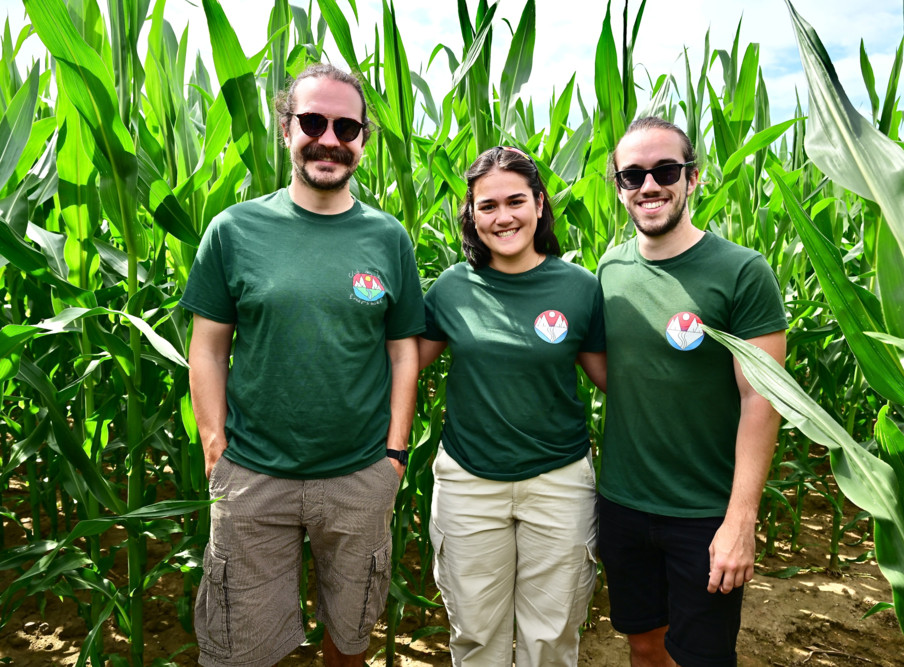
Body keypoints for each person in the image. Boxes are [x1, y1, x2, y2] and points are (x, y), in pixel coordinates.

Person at [180, 64, 424, 667]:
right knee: (239, 649)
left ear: (363, 140)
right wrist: (215, 447)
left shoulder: (389, 238)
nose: (329, 139)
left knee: (350, 638)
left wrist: (395, 454)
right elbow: (207, 347)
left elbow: (402, 351)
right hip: (253, 476)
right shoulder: (234, 230)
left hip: (360, 475)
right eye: (313, 122)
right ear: (286, 129)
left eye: (347, 127)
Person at [596, 117, 788, 667]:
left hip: (705, 511)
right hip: (624, 503)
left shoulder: (742, 271)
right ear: (618, 186)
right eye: (632, 175)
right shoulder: (610, 268)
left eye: (665, 171)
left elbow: (761, 400)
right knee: (643, 644)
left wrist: (740, 522)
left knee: (701, 657)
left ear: (693, 177)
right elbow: (621, 373)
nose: (649, 185)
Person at [418, 146, 606, 666]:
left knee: (552, 638)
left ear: (540, 204)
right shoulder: (452, 288)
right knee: (476, 634)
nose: (503, 217)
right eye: (488, 206)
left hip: (559, 480)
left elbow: (613, 378)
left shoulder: (580, 288)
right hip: (469, 482)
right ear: (472, 215)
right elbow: (404, 365)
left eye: (516, 201)